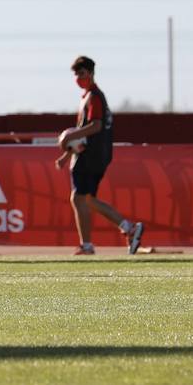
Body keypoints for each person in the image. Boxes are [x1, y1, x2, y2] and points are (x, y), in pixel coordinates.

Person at [56, 56, 144, 256]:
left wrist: (69, 136)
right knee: (86, 199)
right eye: (76, 74)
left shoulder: (94, 96)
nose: (79, 78)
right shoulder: (88, 97)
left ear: (91, 73)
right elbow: (83, 136)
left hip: (91, 157)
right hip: (93, 155)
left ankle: (90, 244)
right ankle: (127, 228)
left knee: (80, 198)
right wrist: (65, 156)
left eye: (82, 73)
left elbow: (95, 126)